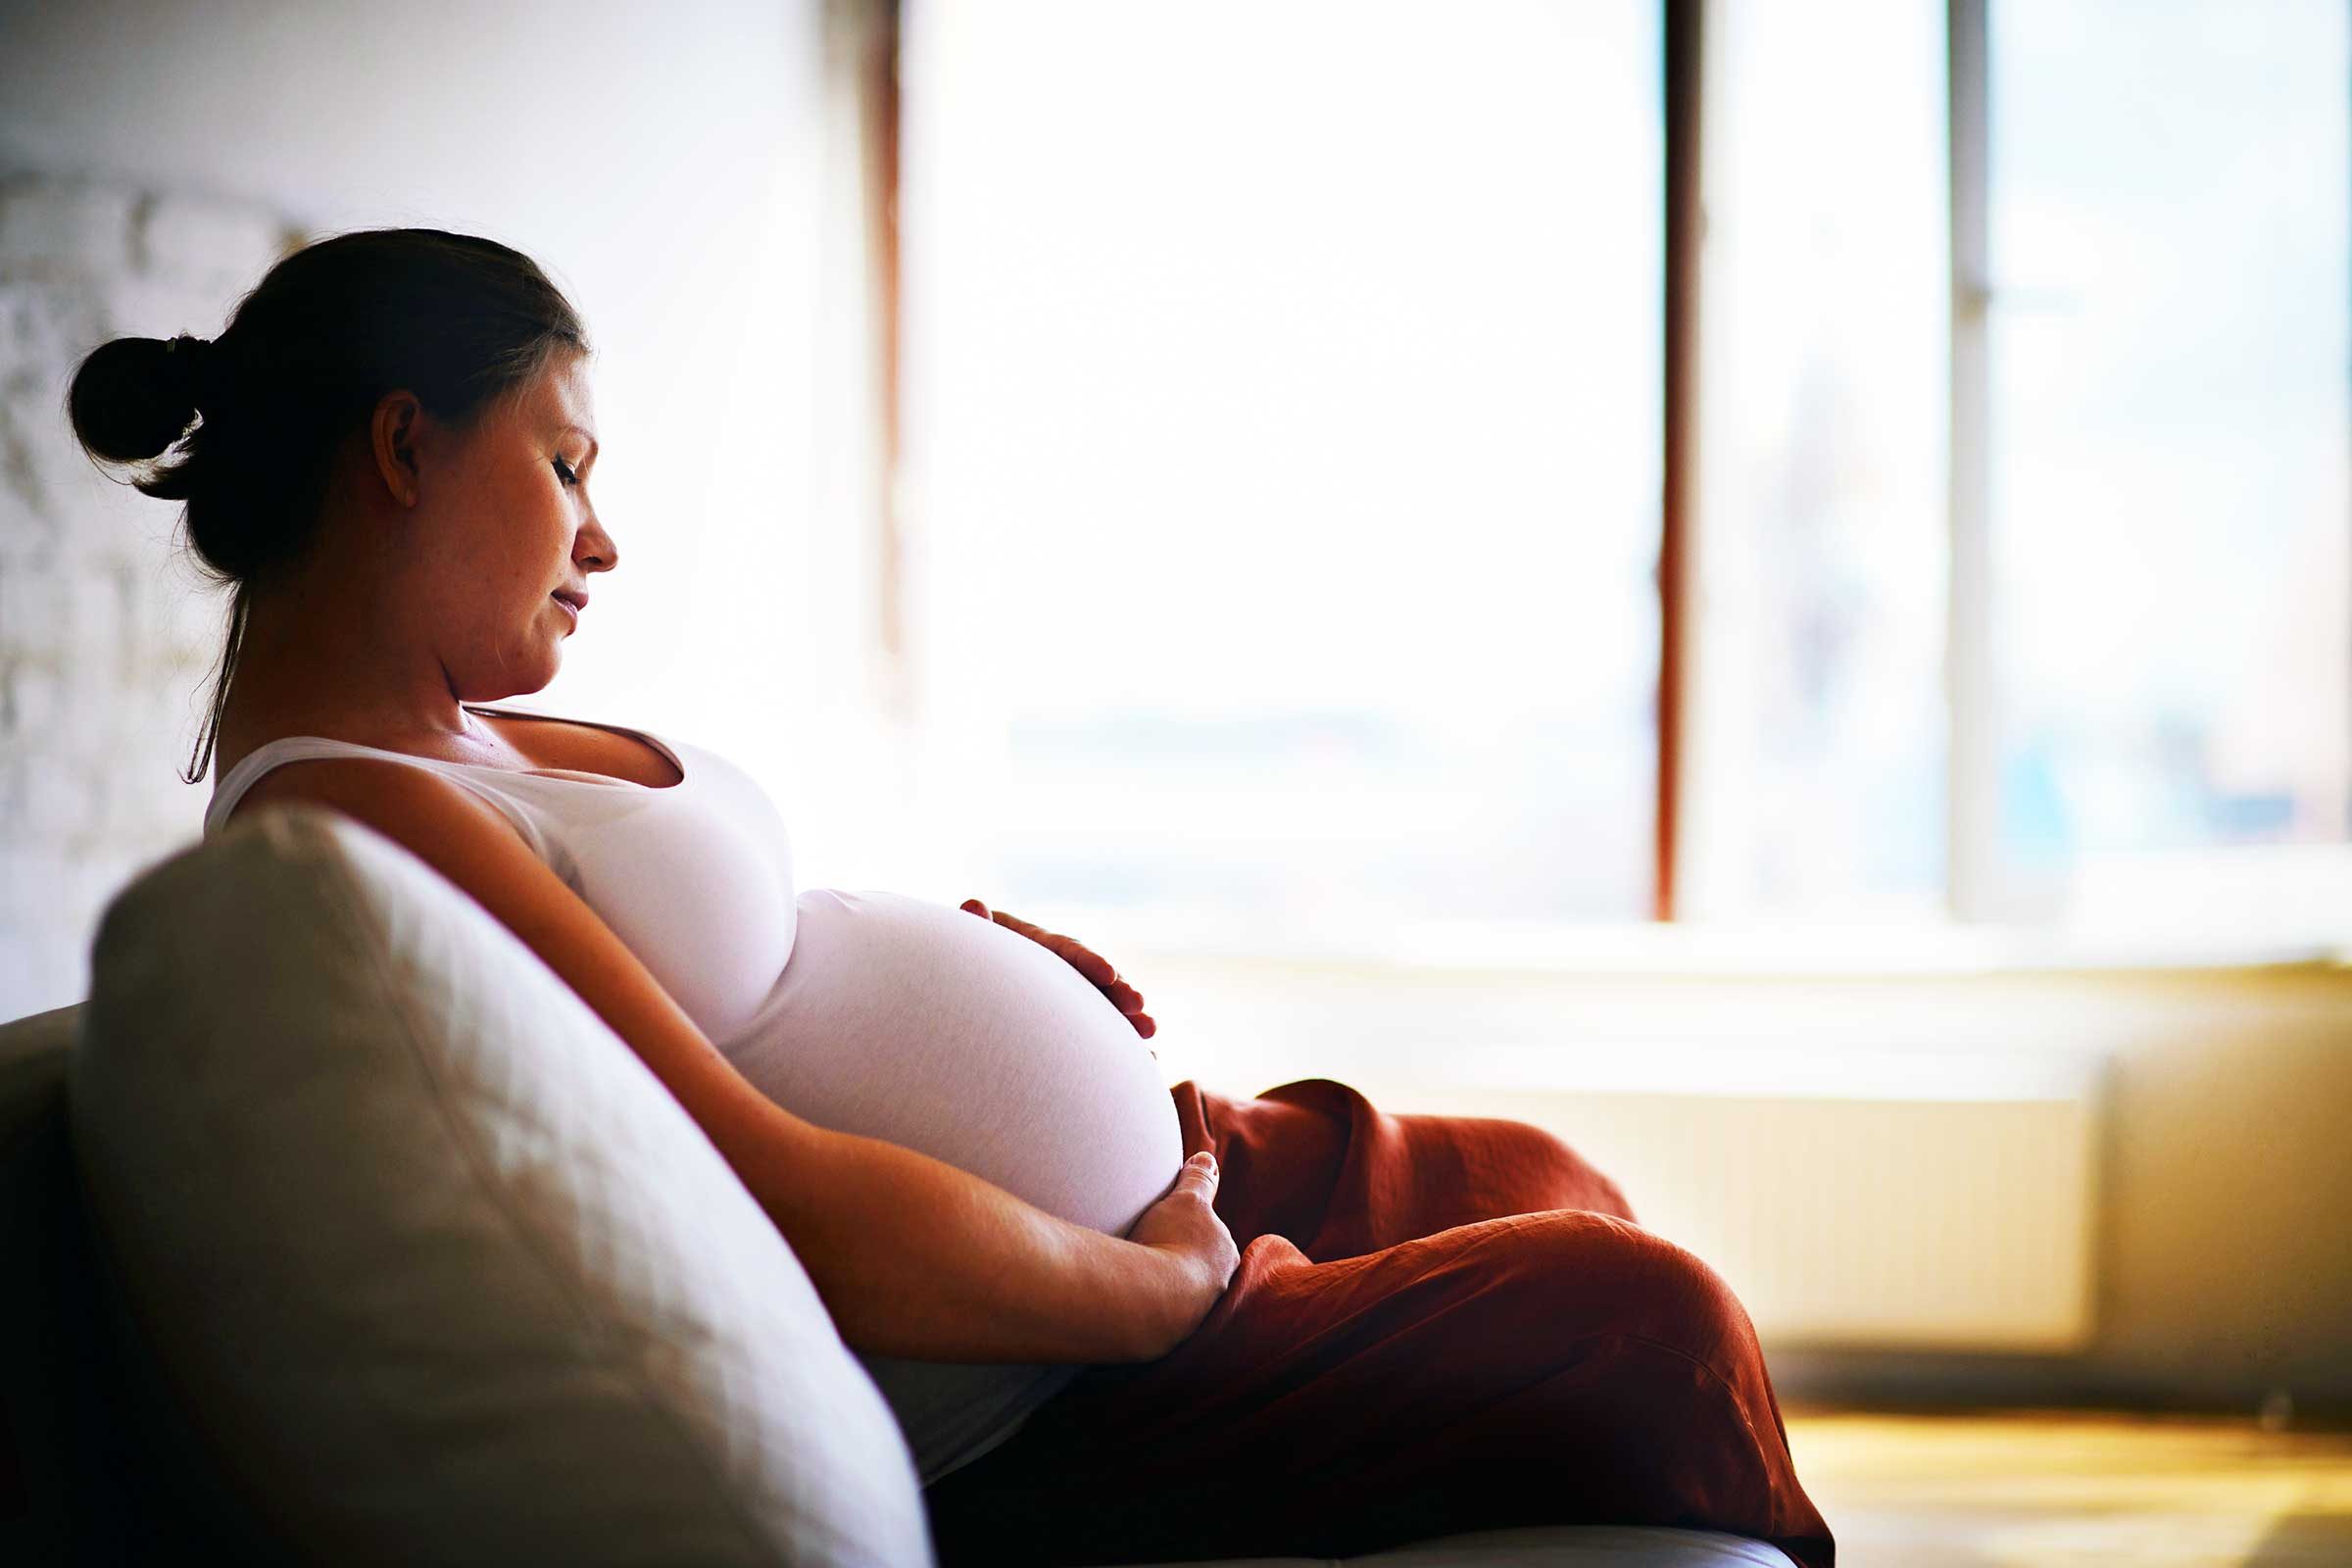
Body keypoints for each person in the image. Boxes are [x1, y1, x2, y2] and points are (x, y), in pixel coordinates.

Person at [68, 227, 1834, 1568]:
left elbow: (750, 980)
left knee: (1546, 1181)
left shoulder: (463, 742)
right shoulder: (354, 839)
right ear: (401, 450)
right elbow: (789, 1197)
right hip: (1052, 1377)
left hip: (1147, 1172)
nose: (599, 537)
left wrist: (990, 977)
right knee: (1647, 1322)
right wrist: (1164, 1293)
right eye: (566, 464)